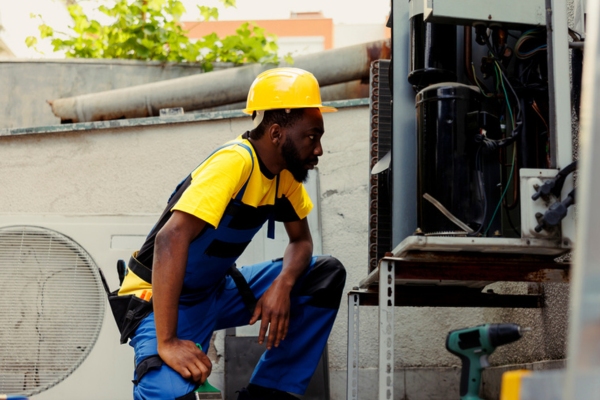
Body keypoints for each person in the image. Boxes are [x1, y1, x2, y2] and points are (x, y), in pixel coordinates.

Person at [112, 67, 346, 400]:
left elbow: (302, 242)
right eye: (312, 136)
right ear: (277, 133)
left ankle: (268, 392)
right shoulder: (235, 163)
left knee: (324, 274)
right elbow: (170, 239)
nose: (319, 149)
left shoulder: (285, 177)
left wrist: (283, 284)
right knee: (164, 392)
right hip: (160, 300)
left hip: (217, 291)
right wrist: (167, 343)